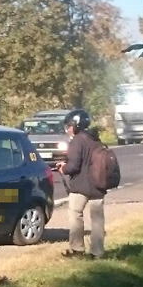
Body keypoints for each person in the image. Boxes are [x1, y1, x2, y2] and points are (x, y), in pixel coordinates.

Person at [55, 109, 105, 259]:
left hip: (81, 186)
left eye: (70, 125)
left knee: (75, 215)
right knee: (97, 219)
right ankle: (98, 252)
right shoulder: (96, 139)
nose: (68, 129)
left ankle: (77, 249)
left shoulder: (77, 141)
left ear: (77, 125)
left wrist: (63, 168)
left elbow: (74, 166)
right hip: (99, 184)